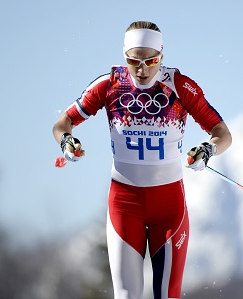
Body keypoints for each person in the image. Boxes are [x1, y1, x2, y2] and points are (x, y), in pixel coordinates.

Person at [53, 21, 232, 299]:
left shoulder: (180, 86)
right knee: (126, 295)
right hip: (126, 204)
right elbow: (62, 123)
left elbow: (222, 134)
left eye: (152, 60)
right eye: (133, 60)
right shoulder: (109, 85)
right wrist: (67, 141)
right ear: (124, 56)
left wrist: (207, 150)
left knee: (166, 294)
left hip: (169, 205)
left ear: (162, 55)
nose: (143, 69)